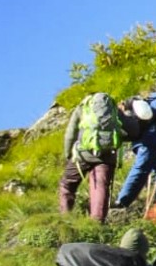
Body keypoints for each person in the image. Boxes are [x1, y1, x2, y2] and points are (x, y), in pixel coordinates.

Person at [59, 94, 151, 223]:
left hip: (82, 155)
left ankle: (65, 217)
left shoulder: (83, 108)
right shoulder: (114, 111)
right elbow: (133, 131)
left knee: (67, 184)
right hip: (107, 156)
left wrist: (68, 154)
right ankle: (97, 222)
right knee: (100, 188)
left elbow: (70, 133)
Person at [113, 83, 156, 210]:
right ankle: (121, 202)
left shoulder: (150, 100)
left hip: (140, 142)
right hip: (150, 143)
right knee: (140, 170)